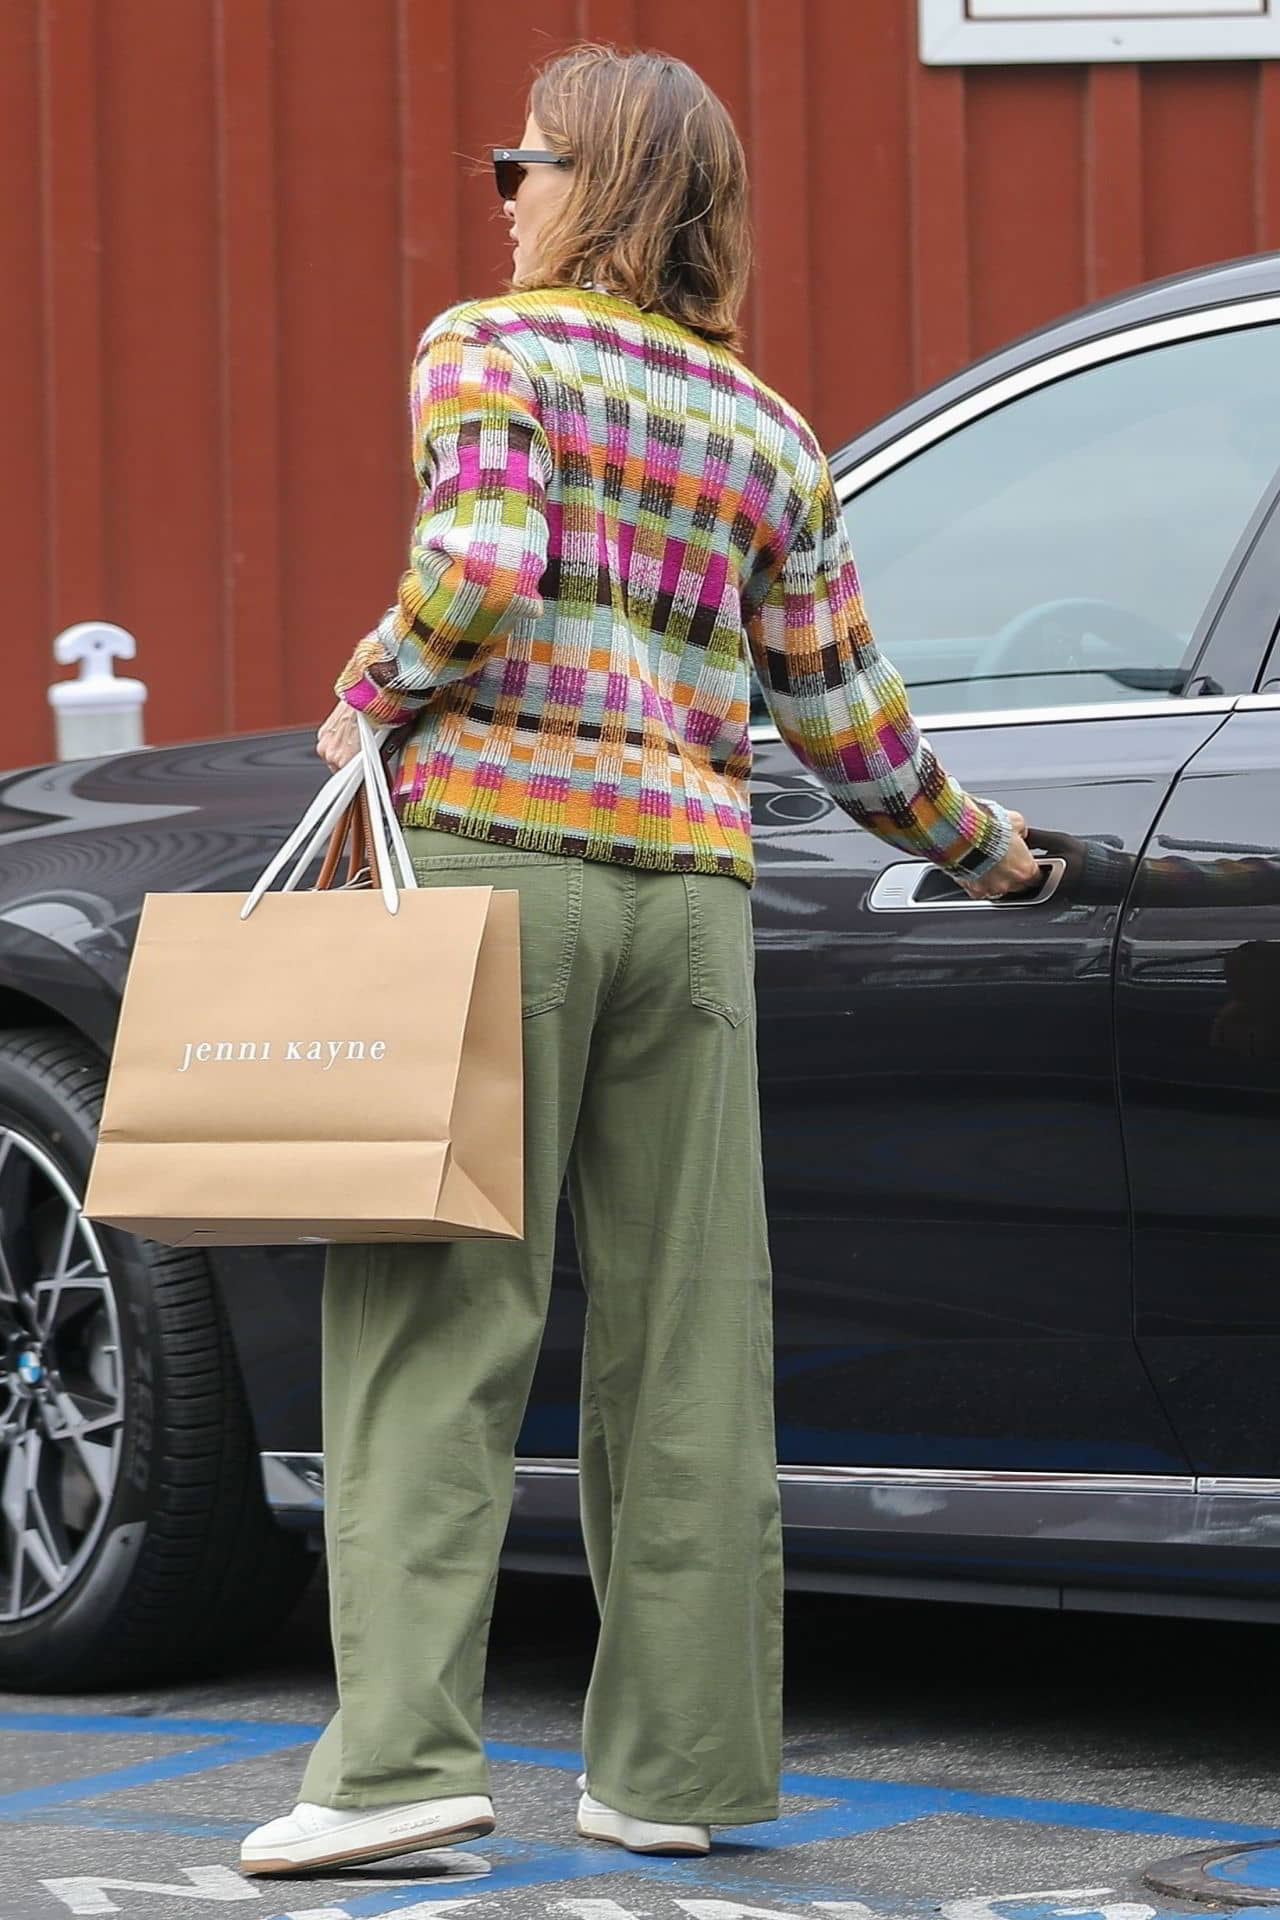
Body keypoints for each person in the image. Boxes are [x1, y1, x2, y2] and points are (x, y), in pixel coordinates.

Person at [240, 41, 1040, 1881]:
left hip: (493, 877)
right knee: (689, 1339)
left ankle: (396, 1779)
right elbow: (850, 721)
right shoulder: (768, 429)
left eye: (514, 163)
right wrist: (995, 856)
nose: (496, 192)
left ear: (582, 183)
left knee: (435, 1332)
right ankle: (682, 1770)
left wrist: (363, 695)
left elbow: (484, 561)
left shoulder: (484, 346)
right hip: (685, 900)